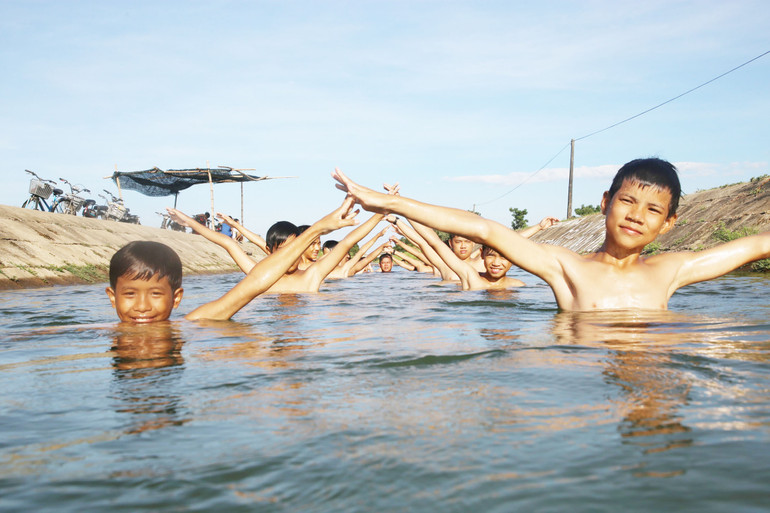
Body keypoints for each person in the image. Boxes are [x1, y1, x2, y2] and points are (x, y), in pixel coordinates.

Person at [332, 158, 770, 310]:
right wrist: (389, 202)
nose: (637, 216)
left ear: (668, 223)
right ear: (605, 201)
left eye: (653, 209)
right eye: (627, 201)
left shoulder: (670, 270)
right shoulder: (565, 266)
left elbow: (751, 246)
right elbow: (484, 227)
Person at [106, 197, 358, 322]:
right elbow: (230, 244)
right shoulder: (96, 335)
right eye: (129, 294)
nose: (142, 306)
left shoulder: (191, 324)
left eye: (156, 294)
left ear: (177, 297)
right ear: (112, 296)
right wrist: (190, 223)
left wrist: (319, 229)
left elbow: (256, 283)